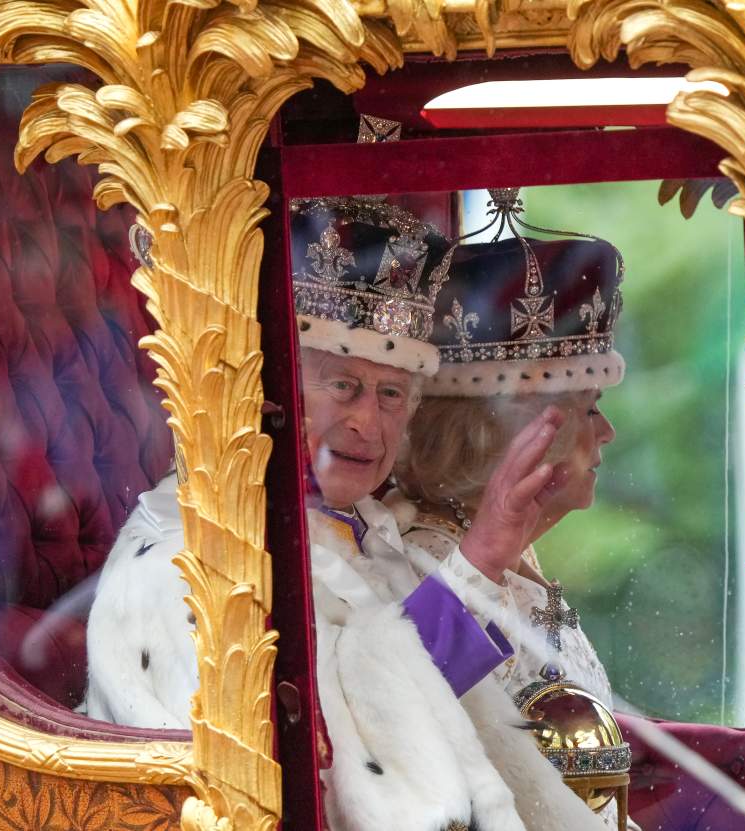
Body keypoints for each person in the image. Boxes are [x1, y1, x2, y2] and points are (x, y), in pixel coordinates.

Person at [85, 195, 607, 831]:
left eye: (390, 393)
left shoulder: (371, 532)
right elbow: (344, 762)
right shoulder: (183, 563)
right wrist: (480, 561)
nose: (367, 420)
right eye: (341, 385)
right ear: (266, 390)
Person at [391, 204, 628, 828]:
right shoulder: (424, 566)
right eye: (589, 406)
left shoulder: (520, 560)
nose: (607, 432)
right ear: (512, 430)